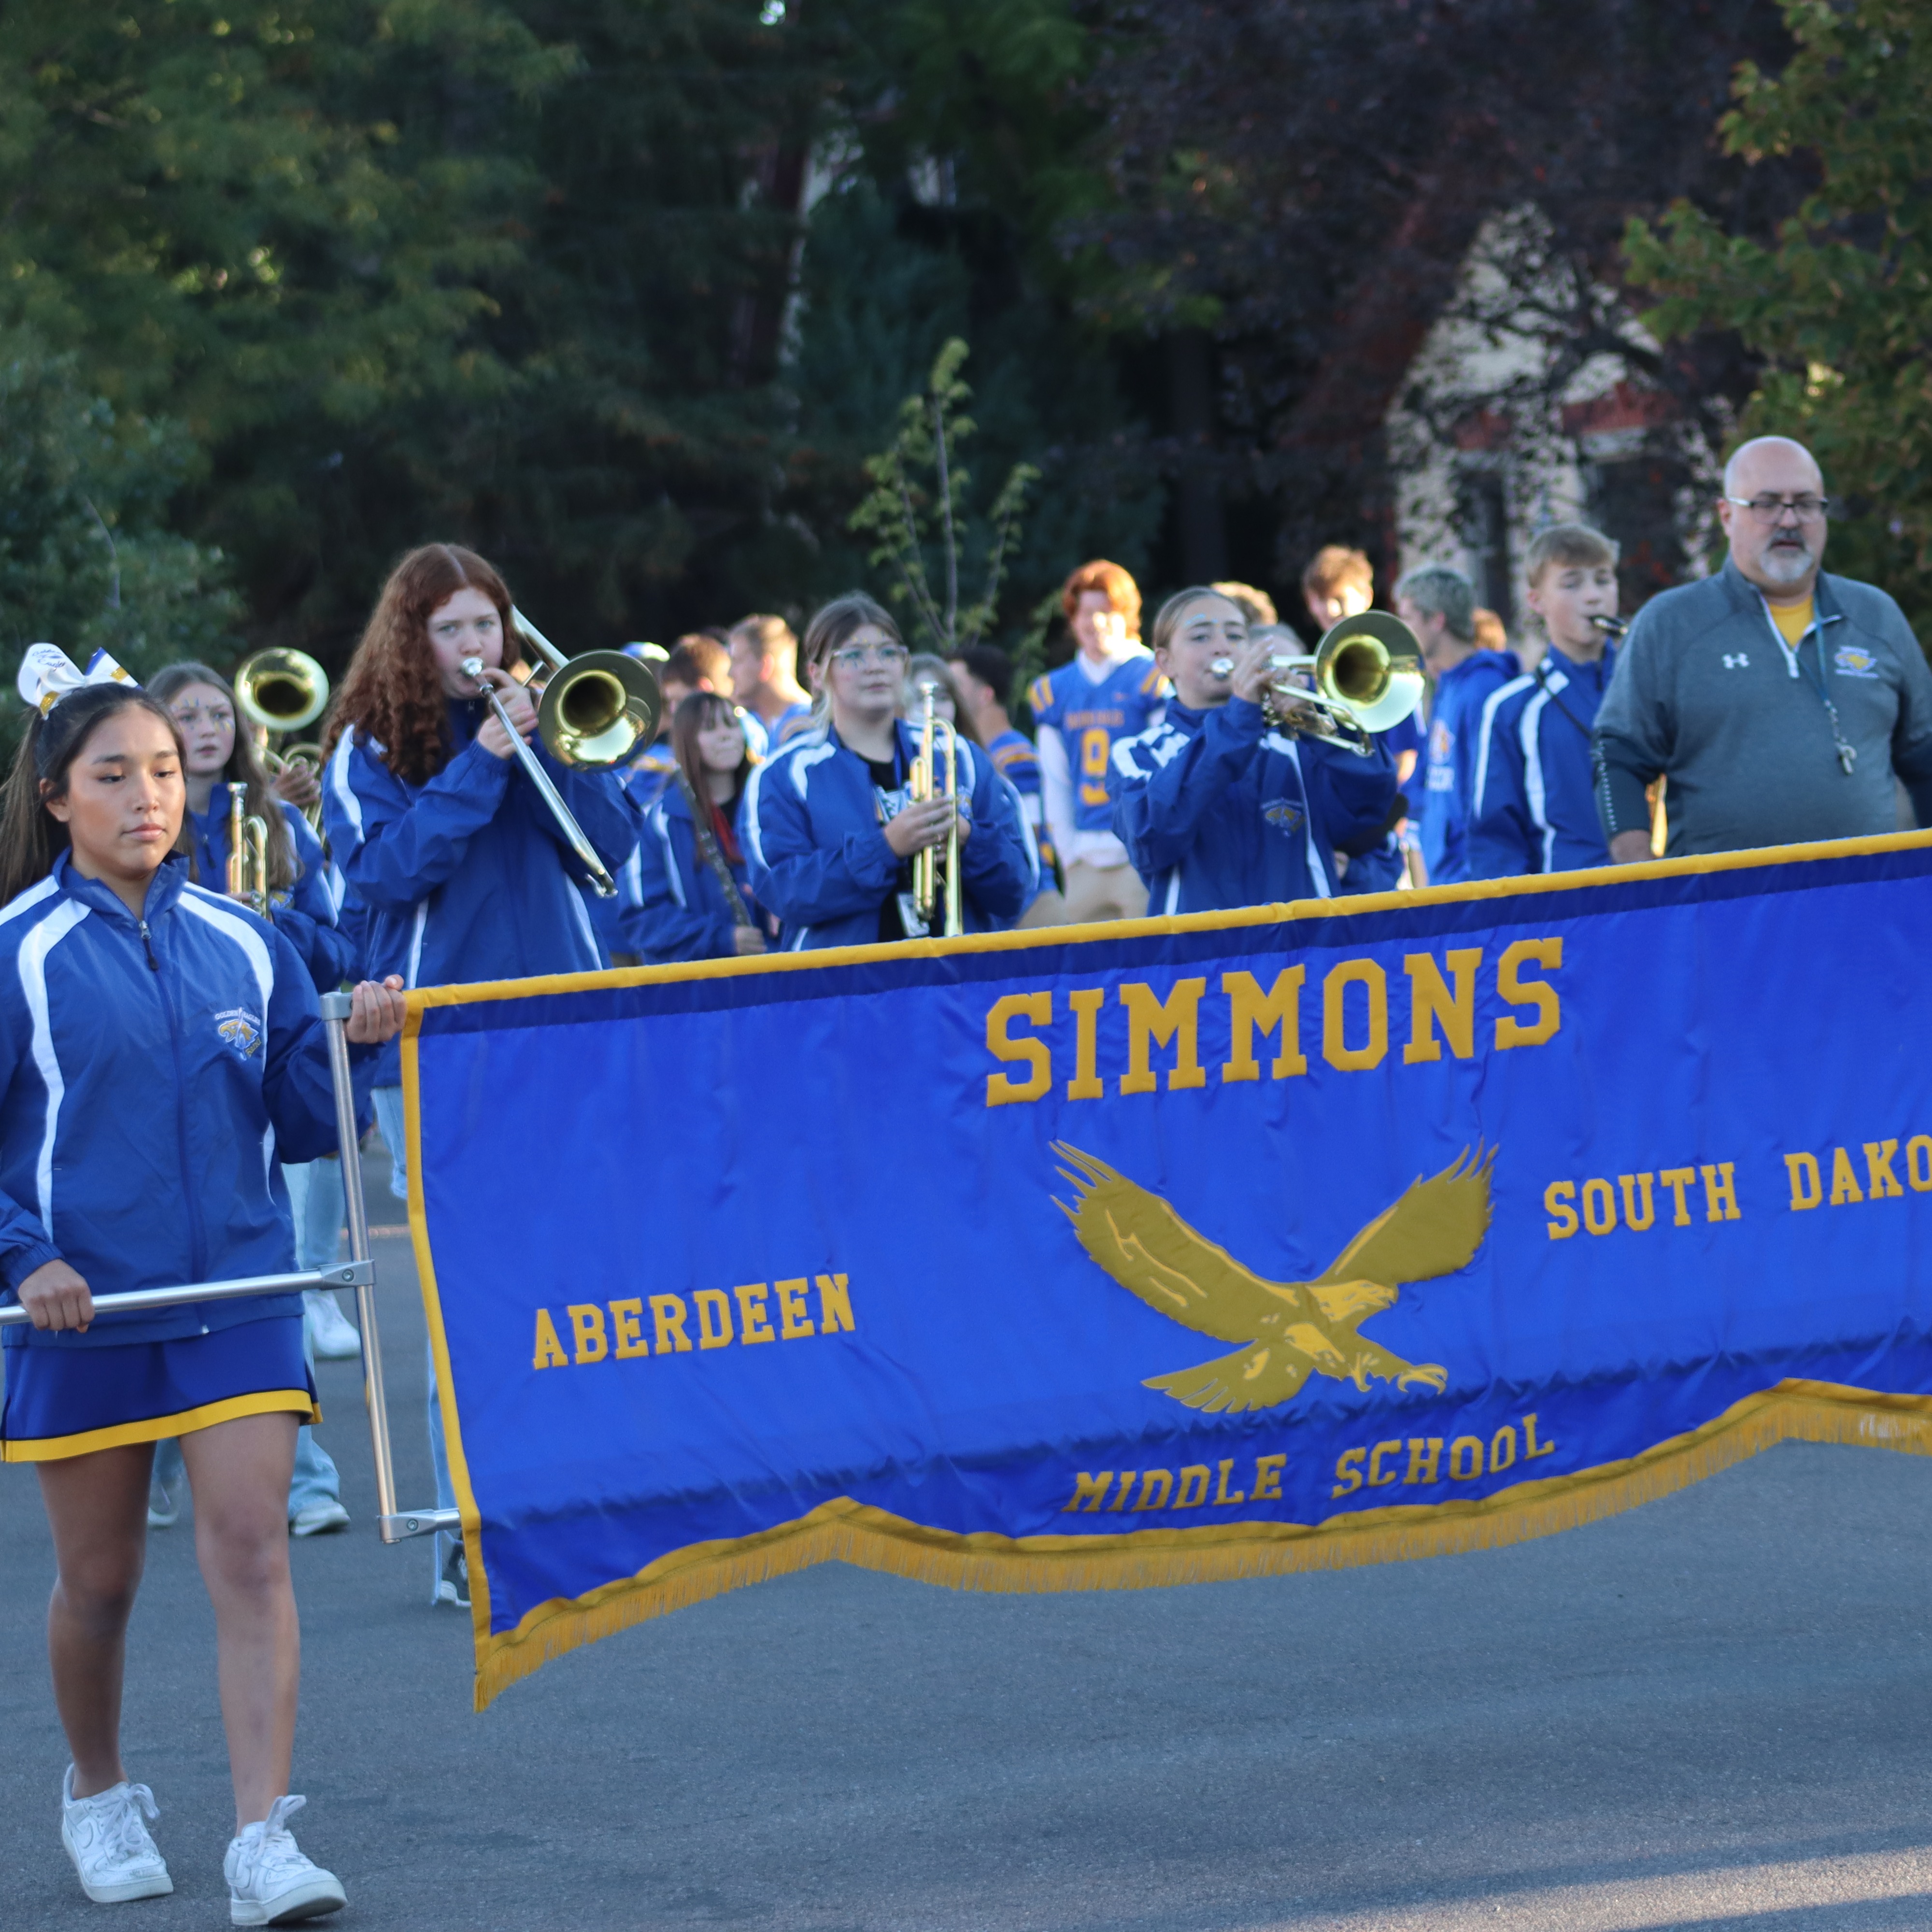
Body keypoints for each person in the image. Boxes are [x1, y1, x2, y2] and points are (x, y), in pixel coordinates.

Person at [0, 658, 404, 1921]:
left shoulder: (247, 936)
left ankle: (262, 1840)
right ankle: (98, 1790)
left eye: (165, 773)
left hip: (241, 1285)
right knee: (103, 1581)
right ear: (57, 797)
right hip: (83, 1309)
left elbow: (294, 1122)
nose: (146, 798)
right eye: (113, 777)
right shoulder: (16, 950)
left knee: (251, 1553)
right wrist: (27, 1255)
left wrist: (353, 1046)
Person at [323, 541, 640, 1607]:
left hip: (563, 1035)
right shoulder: (366, 745)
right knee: (468, 1292)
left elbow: (610, 853)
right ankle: (469, 1522)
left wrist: (550, 752)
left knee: (575, 1275)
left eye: (488, 624)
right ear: (411, 640)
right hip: (440, 1050)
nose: (475, 647)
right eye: (451, 629)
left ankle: (566, 1499)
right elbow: (380, 873)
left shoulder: (548, 721)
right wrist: (484, 764)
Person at [144, 663, 360, 1541]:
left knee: (268, 1272)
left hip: (265, 1068)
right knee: (167, 1280)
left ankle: (308, 1479)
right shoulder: (140, 825)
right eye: (184, 716)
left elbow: (341, 946)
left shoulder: (282, 824)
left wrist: (261, 920)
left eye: (214, 714)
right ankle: (161, 1453)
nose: (205, 727)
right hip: (164, 1080)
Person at [1595, 434, 1932, 860]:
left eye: (1806, 503)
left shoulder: (1876, 617)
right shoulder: (1670, 625)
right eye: (1767, 504)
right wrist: (1641, 884)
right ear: (1726, 515)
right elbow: (1618, 758)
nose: (1789, 520)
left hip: (1863, 906)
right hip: (1724, 911)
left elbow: (1925, 756)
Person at [743, 593, 1036, 948]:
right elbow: (785, 892)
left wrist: (967, 839)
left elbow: (1019, 888)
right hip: (845, 991)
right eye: (853, 655)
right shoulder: (783, 775)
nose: (875, 666)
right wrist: (886, 848)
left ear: (904, 665)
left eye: (888, 653)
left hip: (955, 983)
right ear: (817, 675)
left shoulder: (958, 755)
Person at [1110, 587, 1398, 913]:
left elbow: (1370, 807)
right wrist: (1238, 721)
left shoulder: (1297, 744)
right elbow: (1150, 839)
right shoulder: (1137, 753)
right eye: (1201, 637)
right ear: (1165, 662)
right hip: (1199, 954)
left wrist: (1319, 725)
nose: (1222, 647)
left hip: (1306, 947)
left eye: (1235, 635)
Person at [1468, 524, 1622, 877]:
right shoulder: (1511, 707)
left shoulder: (1650, 686)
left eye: (1603, 579)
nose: (1593, 597)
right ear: (1536, 601)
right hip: (1568, 911)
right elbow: (1495, 840)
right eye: (1572, 584)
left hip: (1665, 899)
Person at [1027, 560, 1165, 923]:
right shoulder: (1055, 689)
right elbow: (1055, 779)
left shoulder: (1151, 677)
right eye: (1087, 612)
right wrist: (1068, 851)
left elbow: (1165, 770)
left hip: (1139, 852)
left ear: (1128, 615)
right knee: (1085, 972)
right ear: (1073, 619)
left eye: (1107, 611)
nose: (1096, 622)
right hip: (1083, 853)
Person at [1395, 564, 1519, 886]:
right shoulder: (1449, 685)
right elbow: (1429, 775)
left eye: (1408, 617)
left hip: (1473, 880)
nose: (1402, 628)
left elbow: (1486, 800)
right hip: (1446, 877)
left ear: (1437, 620)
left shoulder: (1483, 688)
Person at [625, 693, 771, 963]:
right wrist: (722, 938)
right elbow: (642, 919)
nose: (726, 735)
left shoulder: (770, 805)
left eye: (731, 724)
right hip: (702, 989)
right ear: (687, 741)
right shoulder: (661, 822)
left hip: (777, 975)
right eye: (710, 728)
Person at [952, 644, 1059, 922]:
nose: (950, 696)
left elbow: (1029, 834)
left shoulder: (1014, 754)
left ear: (986, 695)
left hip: (1032, 905)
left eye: (956, 685)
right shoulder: (974, 755)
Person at [728, 613, 813, 752]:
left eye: (737, 661)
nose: (730, 674)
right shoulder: (774, 724)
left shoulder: (806, 726)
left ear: (765, 666)